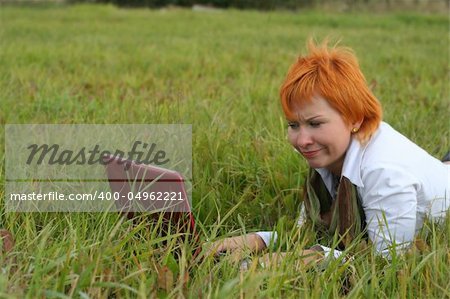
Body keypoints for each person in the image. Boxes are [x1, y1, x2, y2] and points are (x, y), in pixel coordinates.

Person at [207, 39, 450, 265]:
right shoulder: (330, 153)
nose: (302, 140)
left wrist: (306, 258)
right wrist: (257, 240)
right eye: (293, 125)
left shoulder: (384, 172)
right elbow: (310, 232)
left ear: (354, 118)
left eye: (315, 124)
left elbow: (385, 262)